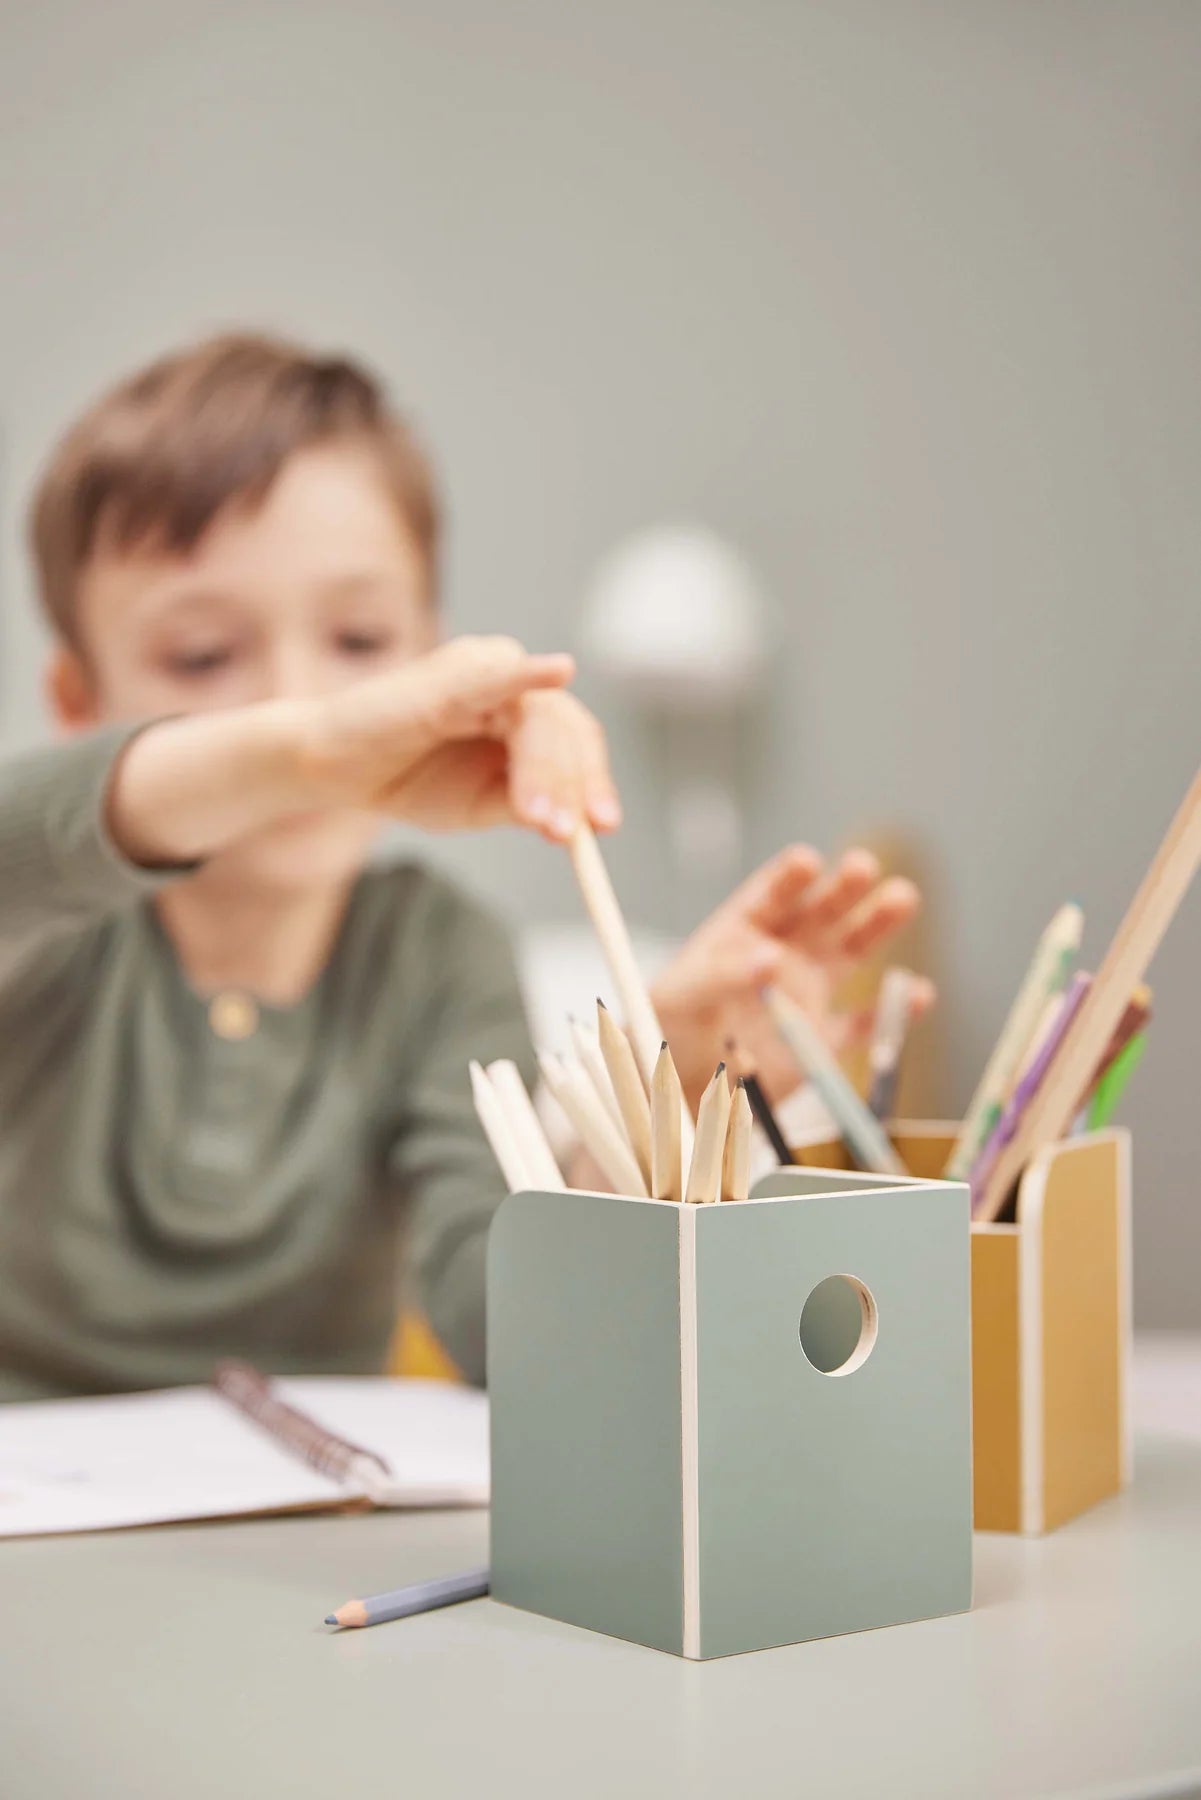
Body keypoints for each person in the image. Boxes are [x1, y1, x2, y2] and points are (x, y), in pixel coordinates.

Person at [0, 333, 928, 1399]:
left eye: (358, 641)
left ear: (428, 656)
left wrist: (651, 1087)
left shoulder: (437, 958)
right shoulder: (46, 925)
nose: (308, 695)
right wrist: (300, 751)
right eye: (204, 656)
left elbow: (502, 1329)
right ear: (76, 705)